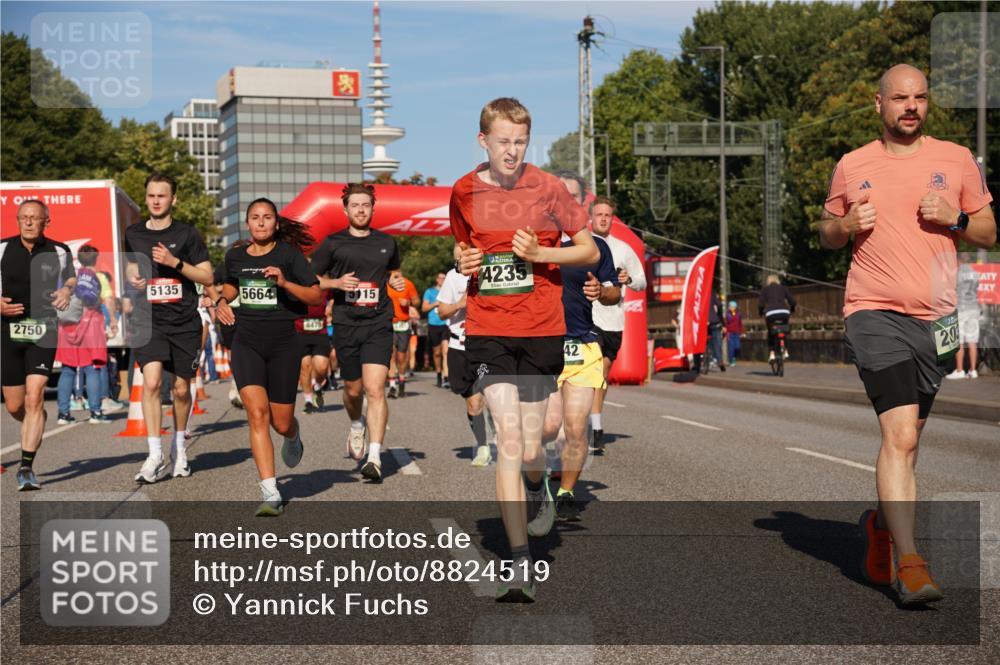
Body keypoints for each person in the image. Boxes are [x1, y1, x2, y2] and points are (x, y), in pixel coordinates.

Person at [819, 64, 995, 606]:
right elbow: (826, 233)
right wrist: (845, 227)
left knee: (910, 440)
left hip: (938, 319)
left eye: (919, 97)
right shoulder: (853, 165)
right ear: (879, 105)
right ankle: (911, 563)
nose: (911, 106)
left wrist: (957, 220)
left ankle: (880, 527)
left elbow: (989, 231)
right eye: (900, 98)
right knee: (899, 436)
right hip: (873, 312)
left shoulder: (956, 159)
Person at [452, 97, 599, 602]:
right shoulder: (464, 191)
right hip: (488, 325)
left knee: (535, 448)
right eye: (503, 141)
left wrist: (542, 253)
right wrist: (466, 260)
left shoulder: (549, 188)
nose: (512, 151)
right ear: (483, 141)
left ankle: (539, 486)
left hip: (541, 326)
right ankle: (520, 562)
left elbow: (589, 249)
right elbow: (463, 246)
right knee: (509, 443)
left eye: (520, 142)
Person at [215, 198, 320, 516]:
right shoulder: (234, 256)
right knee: (257, 414)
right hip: (247, 342)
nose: (261, 222)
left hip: (284, 344)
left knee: (280, 421)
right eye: (255, 218)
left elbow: (315, 295)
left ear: (276, 223)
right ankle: (270, 491)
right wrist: (222, 300)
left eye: (267, 217)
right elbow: (232, 284)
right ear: (247, 223)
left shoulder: (289, 255)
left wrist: (285, 282)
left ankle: (294, 433)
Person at [311, 183, 405, 483]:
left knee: (376, 389)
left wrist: (398, 284)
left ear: (373, 209)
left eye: (366, 205)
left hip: (378, 322)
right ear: (346, 210)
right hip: (346, 322)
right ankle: (355, 424)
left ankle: (374, 457)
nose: (361, 210)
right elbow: (312, 279)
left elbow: (394, 274)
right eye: (356, 205)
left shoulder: (387, 243)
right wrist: (336, 285)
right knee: (353, 390)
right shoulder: (332, 243)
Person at [125, 173, 214, 483]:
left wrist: (175, 262)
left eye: (162, 196)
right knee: (150, 384)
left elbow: (206, 277)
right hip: (147, 320)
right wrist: (133, 277)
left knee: (179, 389)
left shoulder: (188, 235)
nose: (156, 201)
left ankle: (179, 448)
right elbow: (130, 266)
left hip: (183, 322)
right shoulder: (133, 233)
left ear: (173, 199)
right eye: (151, 196)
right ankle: (154, 454)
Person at [541, 186, 620, 521]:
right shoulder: (536, 243)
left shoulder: (594, 246)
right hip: (543, 344)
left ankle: (566, 492)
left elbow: (614, 292)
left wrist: (602, 291)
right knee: (548, 427)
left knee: (575, 429)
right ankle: (536, 477)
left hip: (583, 345)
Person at [1, 200, 77, 490]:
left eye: (35, 218)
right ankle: (35, 419)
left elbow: (70, 276)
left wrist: (67, 290)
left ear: (47, 220)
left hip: (43, 329)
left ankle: (26, 468)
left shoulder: (58, 250)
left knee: (35, 397)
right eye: (24, 218)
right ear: (18, 220)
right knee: (14, 405)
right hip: (7, 331)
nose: (29, 222)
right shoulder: (2, 248)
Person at [572, 189, 646, 453]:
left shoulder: (623, 249)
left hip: (614, 320)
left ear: (613, 219)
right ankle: (594, 427)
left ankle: (592, 421)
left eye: (608, 216)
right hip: (587, 319)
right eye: (599, 215)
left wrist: (628, 279)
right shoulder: (581, 244)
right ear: (591, 217)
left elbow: (642, 281)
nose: (603, 219)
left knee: (601, 375)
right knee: (593, 373)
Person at [436, 265, 492, 466]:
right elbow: (442, 312)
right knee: (474, 403)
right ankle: (483, 446)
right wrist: (460, 303)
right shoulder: (453, 276)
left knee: (495, 395)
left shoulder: (493, 270)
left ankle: (502, 433)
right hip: (459, 347)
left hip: (489, 345)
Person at [55, 244, 111, 424]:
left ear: (79, 259)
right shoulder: (99, 277)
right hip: (90, 326)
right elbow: (106, 301)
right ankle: (95, 412)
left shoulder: (70, 277)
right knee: (92, 368)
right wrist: (114, 323)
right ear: (97, 258)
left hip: (67, 326)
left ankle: (63, 414)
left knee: (67, 369)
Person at [946, 254, 982, 379]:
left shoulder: (956, 274)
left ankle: (960, 370)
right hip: (974, 309)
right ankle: (973, 370)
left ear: (959, 260)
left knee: (959, 342)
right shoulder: (975, 274)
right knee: (972, 342)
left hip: (961, 310)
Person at [298, 290, 331, 413]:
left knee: (321, 367)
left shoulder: (324, 284)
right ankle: (308, 401)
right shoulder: (297, 281)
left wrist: (330, 305)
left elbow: (333, 297)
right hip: (300, 331)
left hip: (320, 332)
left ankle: (316, 384)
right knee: (305, 366)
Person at [387, 273, 419, 398]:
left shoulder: (408, 284)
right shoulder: (385, 285)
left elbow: (417, 301)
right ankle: (392, 386)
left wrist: (409, 302)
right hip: (389, 324)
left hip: (403, 325)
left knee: (402, 356)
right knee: (391, 355)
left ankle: (401, 382)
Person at [758, 275, 796, 363]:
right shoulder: (784, 288)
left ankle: (772, 354)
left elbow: (760, 304)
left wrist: (760, 312)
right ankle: (786, 351)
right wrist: (792, 309)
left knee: (771, 332)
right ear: (777, 281)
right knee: (783, 330)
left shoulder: (765, 289)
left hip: (771, 313)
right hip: (784, 312)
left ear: (768, 281)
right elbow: (793, 301)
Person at [422, 271, 450, 388]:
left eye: (444, 278)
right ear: (437, 279)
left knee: (446, 352)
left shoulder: (449, 292)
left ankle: (446, 377)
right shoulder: (430, 292)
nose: (442, 280)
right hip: (434, 324)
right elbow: (424, 308)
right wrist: (435, 304)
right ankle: (439, 373)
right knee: (437, 353)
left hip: (446, 324)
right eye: (441, 278)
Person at [725, 300, 744, 366]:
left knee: (737, 347)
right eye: (729, 306)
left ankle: (734, 357)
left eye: (732, 306)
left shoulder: (738, 314)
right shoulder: (728, 314)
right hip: (730, 333)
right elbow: (726, 324)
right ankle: (732, 360)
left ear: (735, 307)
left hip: (737, 333)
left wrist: (741, 332)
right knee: (731, 348)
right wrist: (726, 333)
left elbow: (740, 324)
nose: (730, 307)